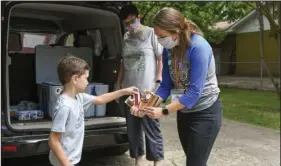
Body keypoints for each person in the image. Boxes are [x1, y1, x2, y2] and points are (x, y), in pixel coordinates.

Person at [142, 7, 222, 166]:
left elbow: (194, 93)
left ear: (175, 32)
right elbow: (165, 85)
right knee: (193, 161)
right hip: (184, 111)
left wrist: (163, 111)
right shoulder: (168, 49)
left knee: (195, 163)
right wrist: (149, 104)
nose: (159, 40)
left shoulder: (199, 47)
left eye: (161, 36)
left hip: (205, 112)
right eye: (157, 36)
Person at [48, 56, 138, 166]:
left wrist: (123, 91)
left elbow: (100, 99)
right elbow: (53, 140)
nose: (87, 82)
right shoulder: (64, 107)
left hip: (72, 159)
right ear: (75, 79)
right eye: (86, 78)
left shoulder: (79, 97)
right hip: (62, 162)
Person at [115, 4, 164, 166]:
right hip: (130, 90)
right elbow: (123, 62)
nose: (129, 26)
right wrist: (118, 83)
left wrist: (158, 79)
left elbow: (160, 58)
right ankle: (138, 161)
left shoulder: (151, 33)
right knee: (133, 129)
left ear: (138, 17)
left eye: (131, 21)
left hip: (147, 90)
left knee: (151, 127)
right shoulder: (126, 37)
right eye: (126, 24)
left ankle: (156, 162)